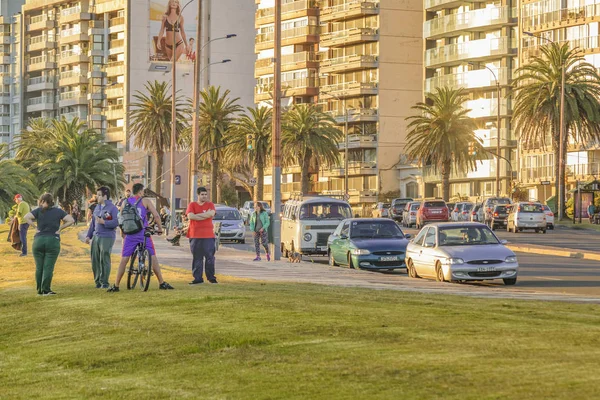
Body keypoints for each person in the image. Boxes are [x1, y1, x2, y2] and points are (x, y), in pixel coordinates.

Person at [107, 183, 174, 292]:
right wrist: (160, 228)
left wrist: (122, 231)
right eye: (143, 191)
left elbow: (121, 218)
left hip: (129, 234)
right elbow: (156, 215)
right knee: (152, 256)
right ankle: (161, 282)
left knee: (124, 259)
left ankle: (116, 285)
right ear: (140, 192)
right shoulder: (145, 201)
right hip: (143, 233)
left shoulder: (125, 202)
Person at [24, 193, 75, 295]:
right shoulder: (58, 211)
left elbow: (26, 217)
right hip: (52, 240)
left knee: (39, 267)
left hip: (38, 240)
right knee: (48, 267)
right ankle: (46, 289)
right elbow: (71, 220)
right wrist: (60, 228)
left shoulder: (38, 211)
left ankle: (39, 290)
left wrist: (35, 227)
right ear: (52, 202)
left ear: (42, 201)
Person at [85, 187, 119, 289]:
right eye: (97, 195)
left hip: (107, 237)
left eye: (99, 195)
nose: (97, 197)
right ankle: (97, 282)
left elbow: (116, 222)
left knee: (104, 258)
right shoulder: (97, 207)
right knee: (95, 259)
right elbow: (93, 223)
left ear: (105, 196)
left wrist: (104, 222)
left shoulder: (113, 208)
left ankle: (104, 282)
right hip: (96, 236)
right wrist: (88, 235)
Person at [186, 186, 218, 284]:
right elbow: (190, 216)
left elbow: (211, 214)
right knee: (197, 258)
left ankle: (211, 277)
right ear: (198, 195)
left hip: (208, 236)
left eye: (205, 194)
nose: (204, 196)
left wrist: (197, 216)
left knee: (210, 257)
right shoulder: (192, 205)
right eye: (202, 194)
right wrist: (204, 215)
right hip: (195, 235)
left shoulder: (210, 204)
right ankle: (198, 278)